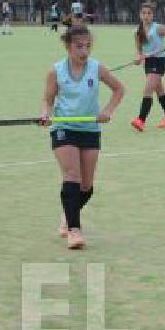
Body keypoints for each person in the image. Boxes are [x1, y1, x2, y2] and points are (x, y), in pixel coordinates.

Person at [39, 25, 125, 249]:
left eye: (88, 46)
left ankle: (67, 215)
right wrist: (45, 114)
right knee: (72, 175)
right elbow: (47, 100)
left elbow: (119, 89)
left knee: (86, 187)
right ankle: (74, 231)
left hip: (90, 129)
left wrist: (107, 111)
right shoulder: (55, 71)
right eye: (79, 46)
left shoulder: (96, 68)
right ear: (68, 46)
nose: (84, 51)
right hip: (64, 127)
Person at [130, 2, 165, 132]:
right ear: (140, 15)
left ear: (153, 15)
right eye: (144, 13)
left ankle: (141, 120)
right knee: (159, 90)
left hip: (159, 61)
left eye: (149, 13)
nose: (146, 16)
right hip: (148, 62)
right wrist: (138, 58)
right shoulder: (137, 32)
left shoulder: (158, 28)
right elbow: (139, 51)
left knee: (148, 90)